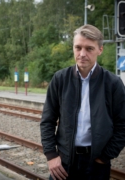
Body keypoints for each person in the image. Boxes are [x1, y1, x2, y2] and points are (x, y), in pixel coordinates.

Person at [40, 24, 125, 180]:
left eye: (89, 49)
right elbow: (47, 121)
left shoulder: (113, 83)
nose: (82, 54)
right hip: (64, 162)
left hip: (96, 164)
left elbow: (122, 125)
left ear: (100, 50)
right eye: (78, 47)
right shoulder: (60, 79)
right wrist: (51, 155)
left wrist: (105, 157)